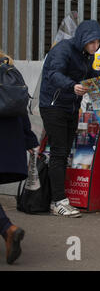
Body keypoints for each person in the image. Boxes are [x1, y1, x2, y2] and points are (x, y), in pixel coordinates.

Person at [39, 20, 100, 218]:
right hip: (53, 106)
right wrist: (72, 86)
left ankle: (57, 198)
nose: (94, 47)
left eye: (97, 43)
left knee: (64, 152)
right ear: (81, 39)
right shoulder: (63, 49)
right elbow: (53, 73)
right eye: (91, 42)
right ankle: (58, 202)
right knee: (59, 152)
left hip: (71, 107)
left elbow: (90, 74)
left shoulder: (86, 55)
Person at [0, 51, 39, 264]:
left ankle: (8, 229)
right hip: (10, 138)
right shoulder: (7, 66)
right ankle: (8, 230)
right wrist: (29, 139)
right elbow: (21, 106)